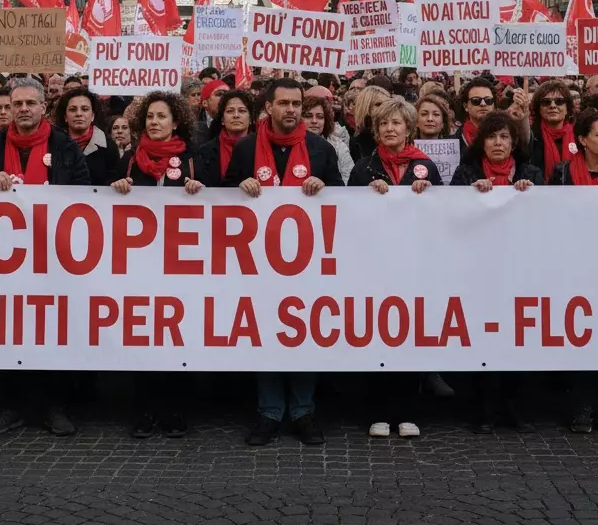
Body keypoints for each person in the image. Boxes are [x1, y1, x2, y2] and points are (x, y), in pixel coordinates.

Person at [224, 78, 343, 447]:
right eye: (284, 104)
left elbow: (344, 198)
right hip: (258, 264)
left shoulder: (320, 149)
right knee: (266, 337)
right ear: (269, 108)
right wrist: (237, 187)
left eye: (297, 104)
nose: (291, 110)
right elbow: (221, 195)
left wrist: (325, 186)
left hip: (307, 265)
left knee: (302, 335)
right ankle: (269, 413)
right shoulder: (245, 149)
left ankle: (304, 411)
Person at [0, 80, 91, 438]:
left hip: (53, 258)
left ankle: (55, 406)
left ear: (43, 108)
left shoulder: (64, 144)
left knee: (53, 333)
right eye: (17, 103)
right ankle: (12, 406)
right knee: (10, 333)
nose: (23, 108)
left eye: (29, 103)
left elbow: (85, 190)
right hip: (8, 259)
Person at [109, 91, 202, 439]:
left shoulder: (193, 159)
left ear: (175, 122)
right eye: (150, 117)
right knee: (144, 340)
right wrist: (116, 186)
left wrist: (201, 190)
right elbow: (103, 203)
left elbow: (217, 202)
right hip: (141, 266)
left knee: (178, 339)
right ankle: (146, 409)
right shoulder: (131, 159)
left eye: (161, 117)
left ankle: (175, 409)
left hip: (182, 265)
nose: (154, 122)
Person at [346, 97, 438, 438]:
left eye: (396, 123)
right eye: (384, 124)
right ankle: (378, 413)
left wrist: (429, 193)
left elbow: (444, 210)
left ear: (408, 129)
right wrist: (366, 195)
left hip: (414, 266)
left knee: (409, 339)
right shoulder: (363, 168)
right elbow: (349, 214)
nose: (389, 129)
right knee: (378, 338)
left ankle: (407, 412)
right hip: (375, 267)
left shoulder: (425, 166)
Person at [450, 110, 540, 433]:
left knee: (518, 340)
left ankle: (516, 408)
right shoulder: (466, 173)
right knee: (485, 340)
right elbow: (452, 218)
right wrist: (472, 197)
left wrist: (530, 195)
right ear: (482, 142)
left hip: (520, 270)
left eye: (504, 137)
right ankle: (485, 410)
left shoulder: (530, 173)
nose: (498, 143)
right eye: (492, 137)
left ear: (514, 142)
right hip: (480, 272)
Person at [547, 109, 598, 435]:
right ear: (582, 140)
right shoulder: (563, 174)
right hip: (575, 267)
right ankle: (581, 406)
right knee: (581, 335)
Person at [53, 88, 117, 186]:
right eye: (72, 109)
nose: (79, 114)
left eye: (85, 109)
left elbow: (114, 181)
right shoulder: (53, 144)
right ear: (65, 117)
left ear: (93, 116)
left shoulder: (109, 146)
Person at [197, 89, 254, 188]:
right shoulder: (205, 151)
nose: (236, 115)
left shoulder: (261, 147)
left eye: (242, 111)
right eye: (230, 111)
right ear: (222, 120)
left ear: (250, 119)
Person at [527, 79, 577, 183]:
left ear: (567, 108)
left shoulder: (580, 136)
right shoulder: (530, 137)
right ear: (539, 109)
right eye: (546, 102)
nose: (552, 106)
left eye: (559, 101)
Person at [302, 89, 353, 184]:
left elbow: (349, 179)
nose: (314, 121)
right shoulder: (290, 144)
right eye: (308, 116)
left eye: (320, 117)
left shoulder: (338, 146)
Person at [349, 84, 391, 163]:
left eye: (387, 104)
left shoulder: (396, 135)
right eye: (378, 104)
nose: (384, 108)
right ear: (366, 108)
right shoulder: (358, 143)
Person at [456, 78, 496, 155]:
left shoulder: (507, 137)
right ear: (466, 106)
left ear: (493, 105)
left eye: (488, 100)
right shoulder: (455, 141)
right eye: (476, 101)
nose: (483, 104)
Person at [192, 79, 229, 150]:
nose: (225, 97)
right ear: (205, 103)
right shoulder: (193, 127)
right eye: (219, 94)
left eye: (227, 94)